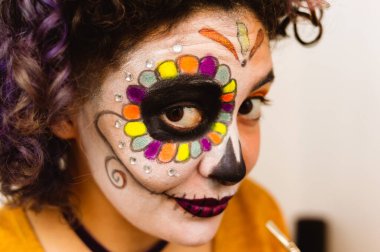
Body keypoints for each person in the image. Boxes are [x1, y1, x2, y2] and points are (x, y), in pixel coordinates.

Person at [0, 0, 326, 251]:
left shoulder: (255, 217)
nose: (233, 166)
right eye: (179, 112)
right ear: (62, 110)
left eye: (250, 105)